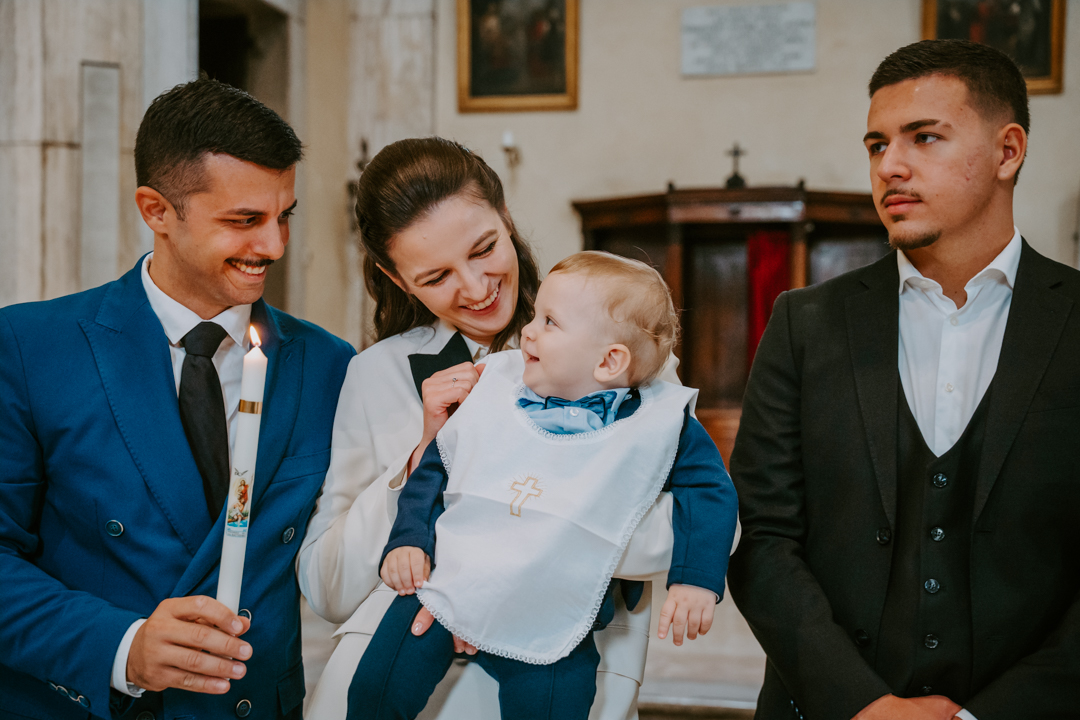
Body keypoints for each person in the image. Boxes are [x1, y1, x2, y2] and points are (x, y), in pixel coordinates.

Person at [727, 38, 1080, 720]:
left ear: (1008, 152)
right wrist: (860, 703)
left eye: (924, 138)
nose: (890, 166)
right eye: (876, 144)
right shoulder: (805, 323)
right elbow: (763, 538)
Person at [0, 78, 355, 720]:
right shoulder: (29, 348)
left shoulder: (329, 365)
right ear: (156, 210)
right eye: (244, 221)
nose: (273, 247)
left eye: (283, 217)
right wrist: (124, 647)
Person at [297, 137, 682, 720]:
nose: (476, 289)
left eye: (484, 249)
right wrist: (423, 453)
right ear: (397, 280)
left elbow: (695, 535)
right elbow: (328, 588)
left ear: (506, 217)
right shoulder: (375, 375)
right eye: (435, 277)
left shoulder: (619, 344)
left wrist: (500, 558)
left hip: (566, 672)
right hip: (399, 680)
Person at [347, 252, 738, 719]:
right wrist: (409, 538)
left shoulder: (657, 424)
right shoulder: (496, 387)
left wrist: (695, 578)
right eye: (535, 316)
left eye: (549, 322)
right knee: (377, 686)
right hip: (447, 585)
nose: (527, 331)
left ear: (610, 360)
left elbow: (711, 492)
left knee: (554, 702)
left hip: (554, 612)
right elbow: (439, 463)